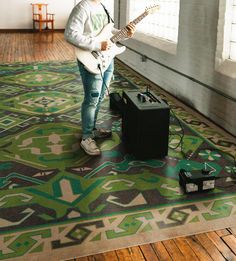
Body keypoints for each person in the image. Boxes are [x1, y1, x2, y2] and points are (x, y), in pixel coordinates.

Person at [64, 0, 136, 156]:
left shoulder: (103, 7)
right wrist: (97, 45)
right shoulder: (83, 7)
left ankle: (92, 129)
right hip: (91, 58)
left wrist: (126, 34)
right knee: (92, 98)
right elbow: (70, 34)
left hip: (107, 59)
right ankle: (86, 137)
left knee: (101, 96)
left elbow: (108, 33)